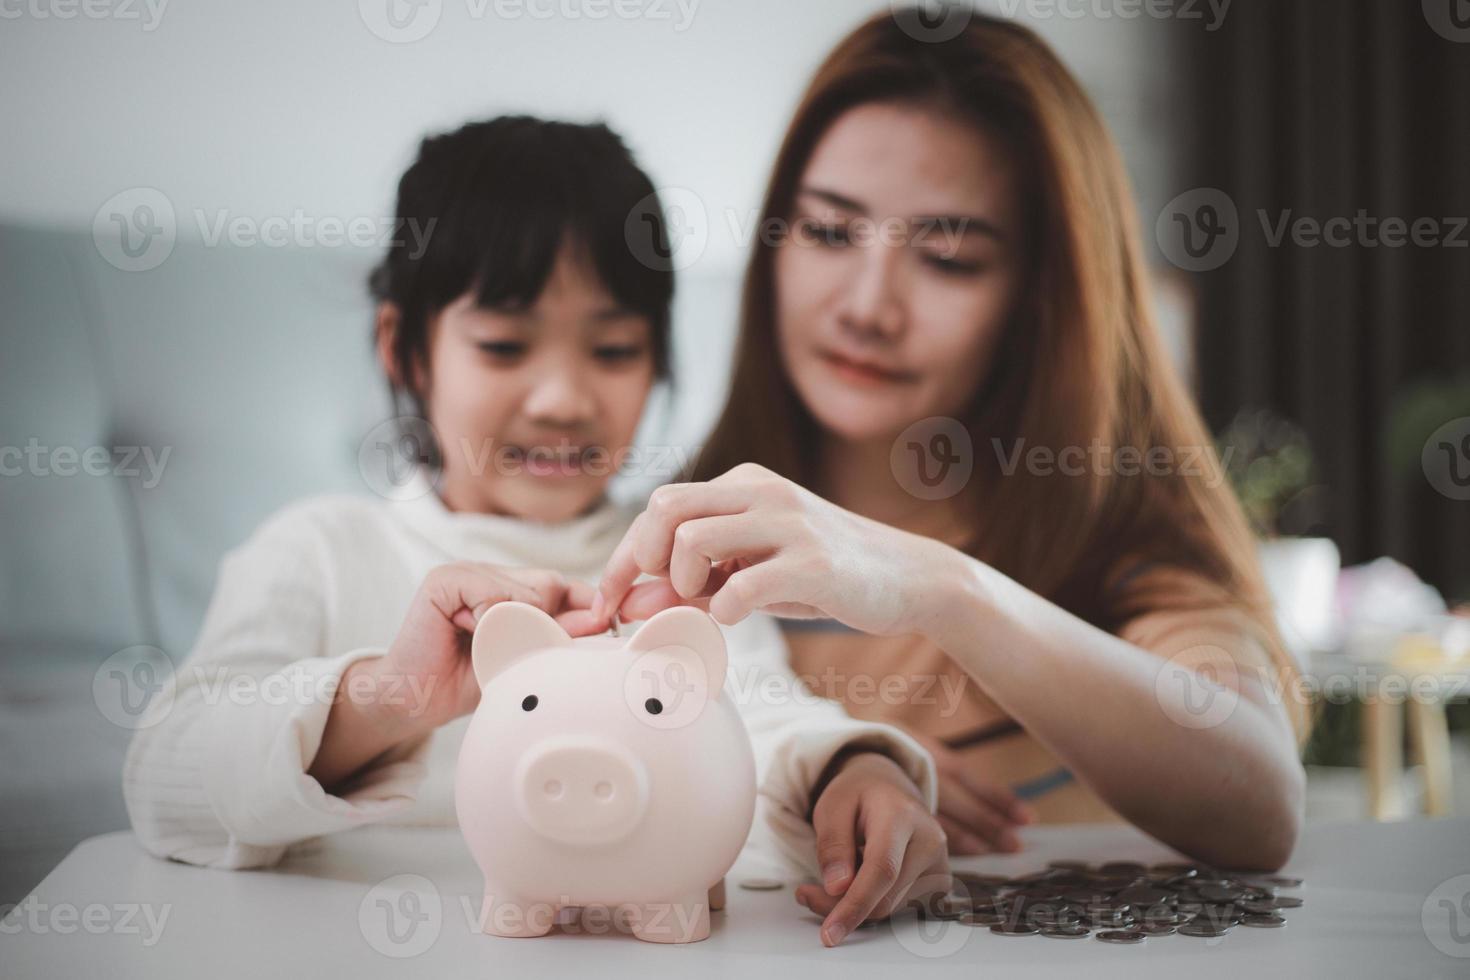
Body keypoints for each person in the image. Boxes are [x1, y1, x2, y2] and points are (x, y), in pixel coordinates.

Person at [121, 115, 948, 948]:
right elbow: (164, 785)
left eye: (615, 348)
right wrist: (390, 697)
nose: (562, 399)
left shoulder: (681, 558)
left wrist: (853, 770)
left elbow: (767, 727)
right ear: (404, 349)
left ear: (659, 358)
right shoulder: (319, 551)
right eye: (505, 344)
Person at [594, 12, 1311, 927]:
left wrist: (939, 588)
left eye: (947, 256)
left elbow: (1261, 805)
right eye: (827, 231)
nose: (867, 306)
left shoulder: (1120, 544)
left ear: (1041, 295)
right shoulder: (668, 554)